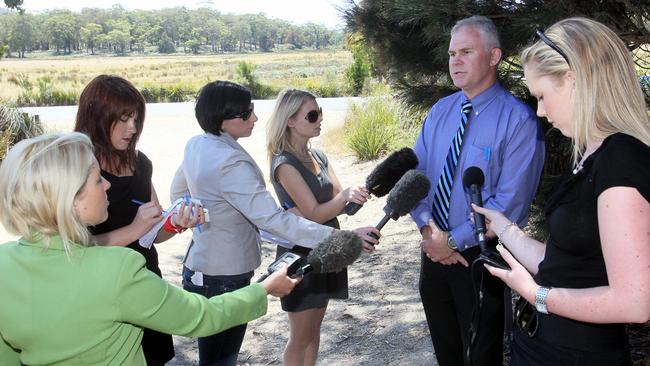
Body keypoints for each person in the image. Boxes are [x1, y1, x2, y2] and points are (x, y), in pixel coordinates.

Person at [0, 132, 300, 365]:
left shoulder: (4, 265)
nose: (107, 185)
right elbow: (200, 316)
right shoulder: (117, 269)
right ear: (70, 199)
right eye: (96, 180)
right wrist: (264, 289)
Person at [473, 17, 650, 365]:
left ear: (573, 80)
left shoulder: (622, 160)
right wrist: (504, 228)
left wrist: (536, 294)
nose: (540, 111)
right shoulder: (590, 154)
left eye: (541, 96)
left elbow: (635, 301)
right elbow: (568, 263)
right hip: (540, 346)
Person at [170, 80, 380, 366]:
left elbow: (178, 194)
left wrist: (200, 218)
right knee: (221, 358)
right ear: (223, 119)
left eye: (252, 110)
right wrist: (343, 239)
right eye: (246, 114)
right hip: (224, 276)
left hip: (202, 264)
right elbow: (274, 220)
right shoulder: (231, 161)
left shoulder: (197, 145)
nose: (254, 117)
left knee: (216, 357)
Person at [409, 15, 545, 366]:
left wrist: (452, 241)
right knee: (447, 353)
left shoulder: (519, 121)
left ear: (494, 56)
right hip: (432, 253)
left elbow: (509, 205)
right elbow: (416, 180)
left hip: (482, 260)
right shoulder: (440, 111)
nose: (455, 61)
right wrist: (430, 231)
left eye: (466, 51)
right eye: (452, 53)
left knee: (480, 356)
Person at [73, 74, 202, 365]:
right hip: (98, 294)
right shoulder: (75, 167)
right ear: (97, 116)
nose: (133, 128)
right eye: (124, 118)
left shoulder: (140, 163)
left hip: (143, 283)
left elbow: (152, 231)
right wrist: (135, 228)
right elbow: (72, 249)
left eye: (136, 118)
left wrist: (175, 222)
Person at [265, 88, 373, 366]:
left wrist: (359, 194)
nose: (319, 120)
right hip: (303, 254)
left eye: (320, 113)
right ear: (290, 120)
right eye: (312, 115)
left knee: (314, 333)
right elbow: (314, 213)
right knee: (300, 336)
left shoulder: (320, 157)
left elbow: (340, 205)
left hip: (329, 249)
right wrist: (342, 197)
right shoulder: (284, 164)